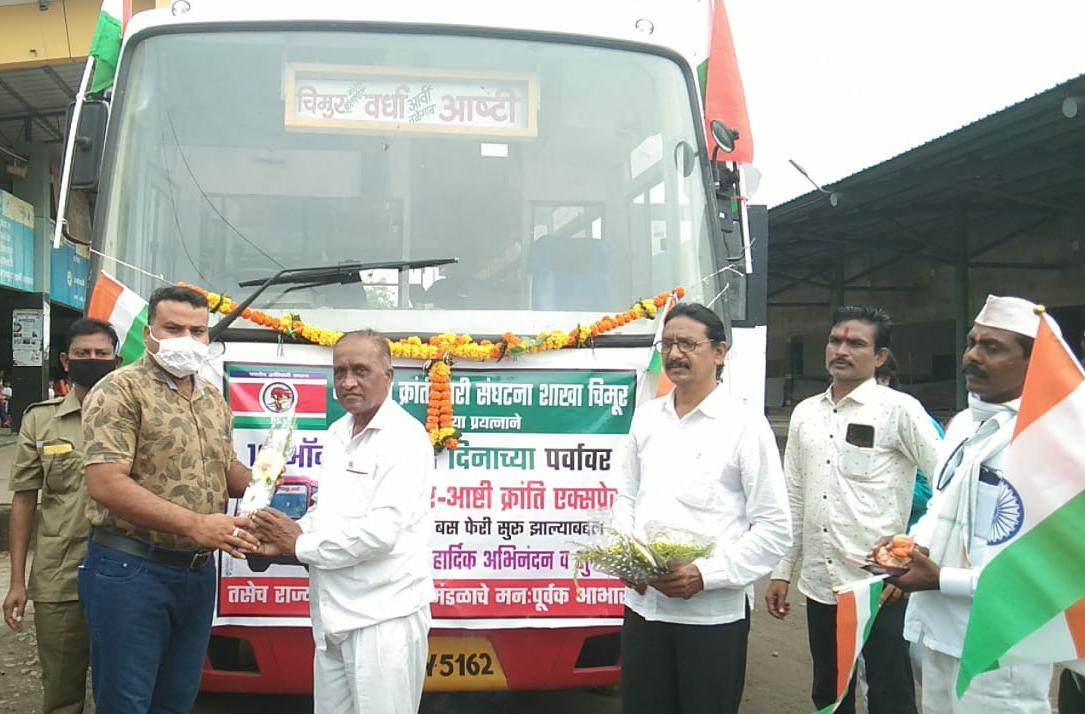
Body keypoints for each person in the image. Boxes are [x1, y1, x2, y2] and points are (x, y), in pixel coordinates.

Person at [79, 285, 260, 713]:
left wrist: (266, 478)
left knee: (177, 701)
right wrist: (196, 524)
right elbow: (105, 483)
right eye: (173, 328)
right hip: (132, 569)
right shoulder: (119, 390)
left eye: (197, 331)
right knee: (127, 703)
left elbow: (227, 473)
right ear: (149, 332)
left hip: (196, 573)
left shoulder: (211, 398)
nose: (187, 340)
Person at [611, 303, 791, 714]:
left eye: (688, 344)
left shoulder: (744, 426)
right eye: (668, 344)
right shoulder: (647, 418)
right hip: (644, 609)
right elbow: (625, 496)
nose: (675, 354)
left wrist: (705, 575)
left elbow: (775, 528)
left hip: (711, 619)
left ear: (720, 352)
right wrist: (628, 557)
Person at [765, 305, 941, 714]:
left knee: (889, 692)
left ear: (880, 356)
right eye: (835, 341)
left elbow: (948, 483)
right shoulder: (806, 413)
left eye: (856, 344)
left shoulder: (898, 410)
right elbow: (794, 495)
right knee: (828, 691)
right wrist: (782, 570)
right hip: (821, 582)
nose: (841, 351)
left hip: (880, 584)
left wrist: (911, 554)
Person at [888, 295, 1057, 713]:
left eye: (992, 347)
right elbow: (942, 505)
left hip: (1000, 646)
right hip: (937, 631)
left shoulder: (1051, 439)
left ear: (1034, 362)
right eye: (972, 342)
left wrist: (941, 579)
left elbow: (1044, 568)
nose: (972, 356)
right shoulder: (965, 424)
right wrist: (909, 547)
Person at [251, 330, 435, 714]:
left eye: (360, 371)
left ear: (388, 375)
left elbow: (380, 534)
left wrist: (298, 544)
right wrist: (282, 536)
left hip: (383, 619)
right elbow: (329, 512)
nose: (348, 382)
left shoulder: (405, 437)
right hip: (333, 615)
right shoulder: (338, 432)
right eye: (340, 372)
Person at [3, 318, 121, 714]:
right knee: (61, 693)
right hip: (60, 575)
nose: (92, 359)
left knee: (123, 691)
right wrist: (17, 581)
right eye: (83, 353)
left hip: (126, 574)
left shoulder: (137, 416)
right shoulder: (41, 419)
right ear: (65, 361)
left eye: (101, 353)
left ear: (117, 361)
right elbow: (24, 500)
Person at [874, 351, 945, 529]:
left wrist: (874, 489)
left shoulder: (914, 420)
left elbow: (935, 487)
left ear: (885, 380)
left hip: (905, 532)